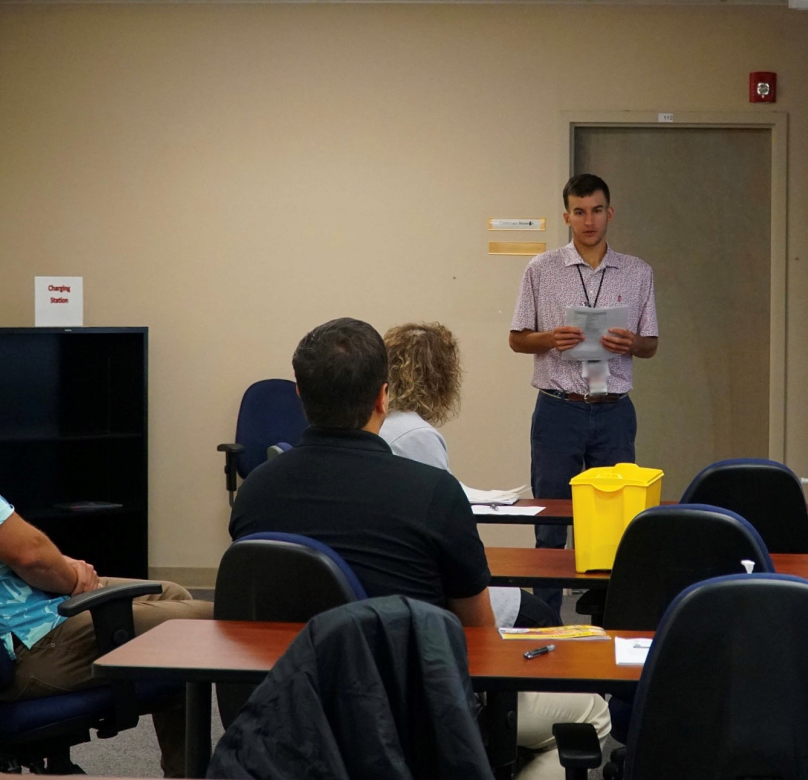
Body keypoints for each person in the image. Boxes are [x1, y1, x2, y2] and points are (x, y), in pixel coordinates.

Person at [229, 317, 609, 780]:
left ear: (300, 396)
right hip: (415, 711)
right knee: (592, 711)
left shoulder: (254, 493)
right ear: (382, 396)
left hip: (294, 707)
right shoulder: (431, 492)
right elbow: (480, 636)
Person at [0, 313, 212, 778]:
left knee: (170, 593)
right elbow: (28, 554)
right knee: (218, 627)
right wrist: (73, 576)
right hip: (29, 642)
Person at [509, 173, 659, 613]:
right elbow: (517, 339)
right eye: (579, 211)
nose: (588, 220)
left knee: (615, 526)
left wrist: (630, 344)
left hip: (613, 410)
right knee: (552, 523)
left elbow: (651, 345)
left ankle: (614, 619)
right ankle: (546, 620)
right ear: (566, 216)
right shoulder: (541, 269)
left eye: (596, 210)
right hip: (559, 409)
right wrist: (551, 338)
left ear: (609, 213)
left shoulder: (637, 272)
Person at [381, 321, 556, 629]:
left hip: (397, 574)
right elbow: (444, 526)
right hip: (427, 586)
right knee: (542, 615)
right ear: (441, 375)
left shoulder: (383, 425)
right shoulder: (415, 434)